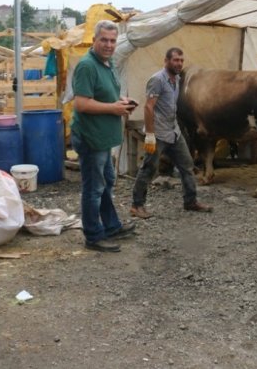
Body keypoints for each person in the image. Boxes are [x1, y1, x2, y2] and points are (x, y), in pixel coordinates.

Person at [71, 19, 138, 252]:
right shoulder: (87, 66)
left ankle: (110, 225)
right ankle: (93, 235)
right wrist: (113, 109)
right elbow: (81, 103)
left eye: (112, 40)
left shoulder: (106, 64)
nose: (109, 45)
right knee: (94, 188)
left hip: (103, 137)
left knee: (106, 182)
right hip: (91, 138)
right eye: (104, 40)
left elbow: (101, 95)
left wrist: (120, 103)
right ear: (94, 40)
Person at [130, 47, 212, 218]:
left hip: (173, 131)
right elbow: (148, 107)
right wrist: (150, 135)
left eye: (181, 60)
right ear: (166, 61)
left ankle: (190, 201)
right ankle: (137, 206)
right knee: (148, 168)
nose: (179, 63)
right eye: (175, 60)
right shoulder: (157, 79)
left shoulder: (176, 79)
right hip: (158, 133)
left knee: (187, 165)